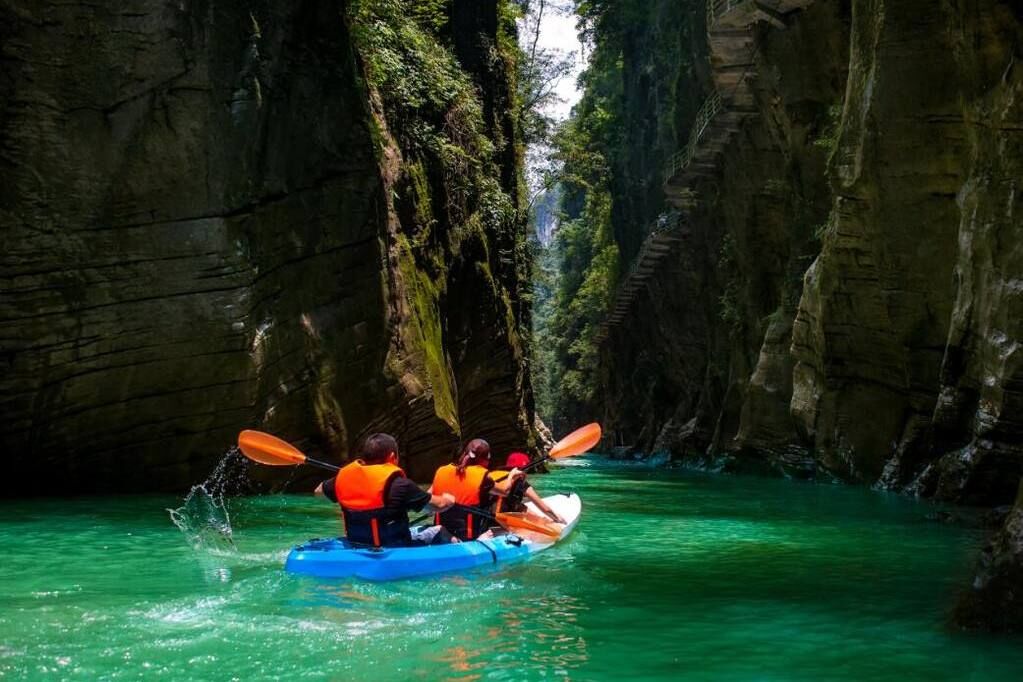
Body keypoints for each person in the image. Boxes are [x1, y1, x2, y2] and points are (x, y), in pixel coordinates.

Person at [314, 433, 456, 547]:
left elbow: (318, 492)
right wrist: (449, 499)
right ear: (392, 457)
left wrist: (347, 486)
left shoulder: (343, 479)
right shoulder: (400, 485)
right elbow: (438, 506)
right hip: (393, 547)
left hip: (357, 544)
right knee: (440, 531)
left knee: (420, 528)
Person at [429, 438, 522, 541]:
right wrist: (511, 476)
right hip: (467, 537)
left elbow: (428, 497)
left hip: (439, 532)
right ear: (486, 458)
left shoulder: (442, 471)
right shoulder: (481, 476)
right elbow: (505, 491)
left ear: (464, 453)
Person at [490, 452, 566, 524]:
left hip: (487, 516)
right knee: (538, 518)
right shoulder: (520, 482)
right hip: (501, 519)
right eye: (526, 470)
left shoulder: (493, 475)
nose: (526, 473)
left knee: (521, 507)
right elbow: (545, 509)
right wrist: (557, 518)